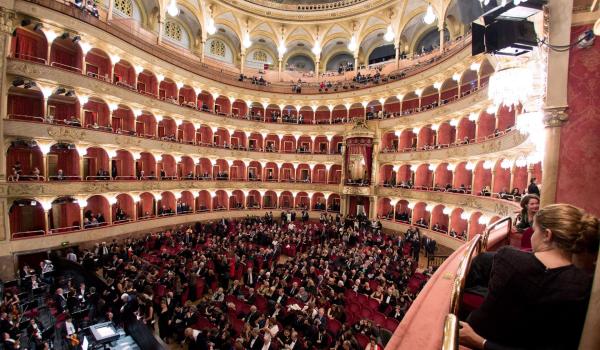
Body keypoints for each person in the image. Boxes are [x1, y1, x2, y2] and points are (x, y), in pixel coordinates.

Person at [459, 204, 599, 350]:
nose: (531, 236)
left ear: (547, 235)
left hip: (477, 339)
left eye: (534, 231)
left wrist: (480, 342)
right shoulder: (583, 285)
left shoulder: (508, 258)